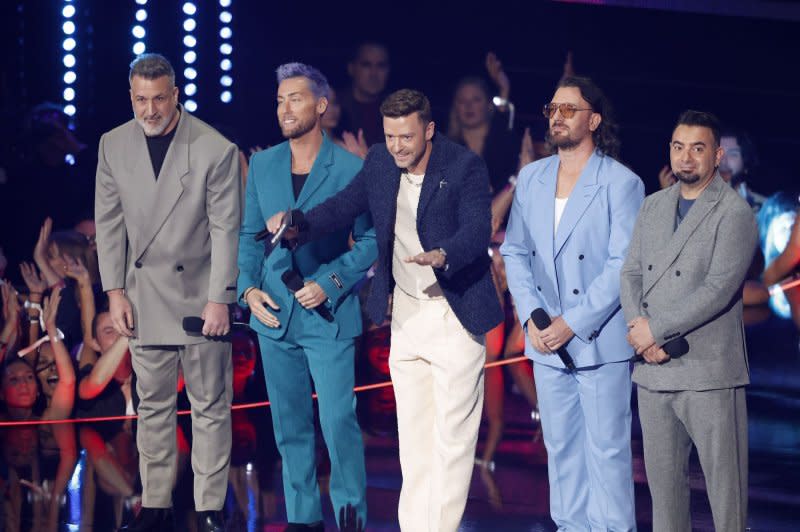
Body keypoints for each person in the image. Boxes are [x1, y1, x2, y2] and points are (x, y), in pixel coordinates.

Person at [267, 88, 503, 532]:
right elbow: (344, 207)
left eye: (406, 137)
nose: (397, 146)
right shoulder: (379, 162)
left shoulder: (463, 166)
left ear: (429, 130)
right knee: (413, 439)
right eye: (390, 136)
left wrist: (444, 254)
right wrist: (299, 223)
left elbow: (477, 228)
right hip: (408, 317)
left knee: (452, 441)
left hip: (454, 314)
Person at [94, 53, 241, 532]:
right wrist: (114, 290)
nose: (151, 109)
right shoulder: (113, 145)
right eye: (141, 99)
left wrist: (220, 297)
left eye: (159, 98)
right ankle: (154, 505)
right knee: (152, 403)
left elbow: (226, 230)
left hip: (200, 297)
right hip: (144, 295)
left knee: (209, 406)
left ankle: (210, 506)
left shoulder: (213, 148)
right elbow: (110, 223)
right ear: (131, 97)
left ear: (176, 94)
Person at [237, 62, 376, 532]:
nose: (285, 107)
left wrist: (333, 281)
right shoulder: (263, 163)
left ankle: (350, 516)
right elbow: (250, 235)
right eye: (279, 99)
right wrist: (247, 289)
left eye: (295, 98)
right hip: (273, 314)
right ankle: (301, 520)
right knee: (289, 426)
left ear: (321, 105)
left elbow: (372, 242)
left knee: (338, 423)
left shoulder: (350, 168)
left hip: (328, 314)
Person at [501, 76, 643, 531]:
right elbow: (514, 251)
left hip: (596, 340)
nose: (557, 117)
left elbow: (623, 264)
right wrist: (533, 317)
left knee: (607, 450)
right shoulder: (532, 177)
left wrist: (573, 323)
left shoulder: (621, 183)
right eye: (553, 109)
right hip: (545, 339)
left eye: (569, 109)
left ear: (594, 120)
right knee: (561, 449)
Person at [621, 110, 757, 532]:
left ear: (716, 156)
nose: (686, 158)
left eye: (697, 149)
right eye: (678, 148)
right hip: (654, 371)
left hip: (709, 372)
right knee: (664, 497)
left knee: (726, 497)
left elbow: (717, 289)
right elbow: (630, 273)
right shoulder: (653, 205)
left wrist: (655, 330)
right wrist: (638, 330)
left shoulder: (734, 213)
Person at [338, 42, 391, 147]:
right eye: (366, 65)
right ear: (351, 68)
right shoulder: (335, 108)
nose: (373, 74)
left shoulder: (399, 110)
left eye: (381, 66)